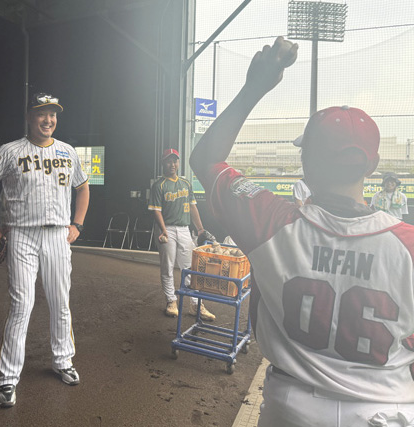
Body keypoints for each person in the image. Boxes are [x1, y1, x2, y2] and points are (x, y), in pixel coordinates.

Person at [190, 36, 414, 427]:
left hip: (291, 410)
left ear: (307, 161)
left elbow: (206, 159)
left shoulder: (270, 219)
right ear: (373, 165)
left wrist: (255, 86)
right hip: (386, 410)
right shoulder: (408, 245)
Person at [0, 92, 90, 408]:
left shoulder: (67, 151)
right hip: (21, 235)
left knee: (60, 301)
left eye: (53, 114)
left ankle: (63, 360)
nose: (48, 119)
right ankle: (8, 377)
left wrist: (77, 225)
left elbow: (82, 188)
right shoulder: (9, 151)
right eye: (41, 113)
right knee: (21, 305)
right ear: (28, 116)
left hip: (57, 235)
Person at [148, 148, 215, 321]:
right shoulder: (159, 185)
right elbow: (156, 211)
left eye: (175, 161)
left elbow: (193, 207)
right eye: (169, 161)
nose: (172, 164)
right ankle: (171, 301)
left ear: (178, 163)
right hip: (167, 228)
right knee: (168, 267)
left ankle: (195, 304)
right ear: (163, 163)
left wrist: (200, 229)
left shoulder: (185, 183)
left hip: (184, 228)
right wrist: (163, 229)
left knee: (190, 268)